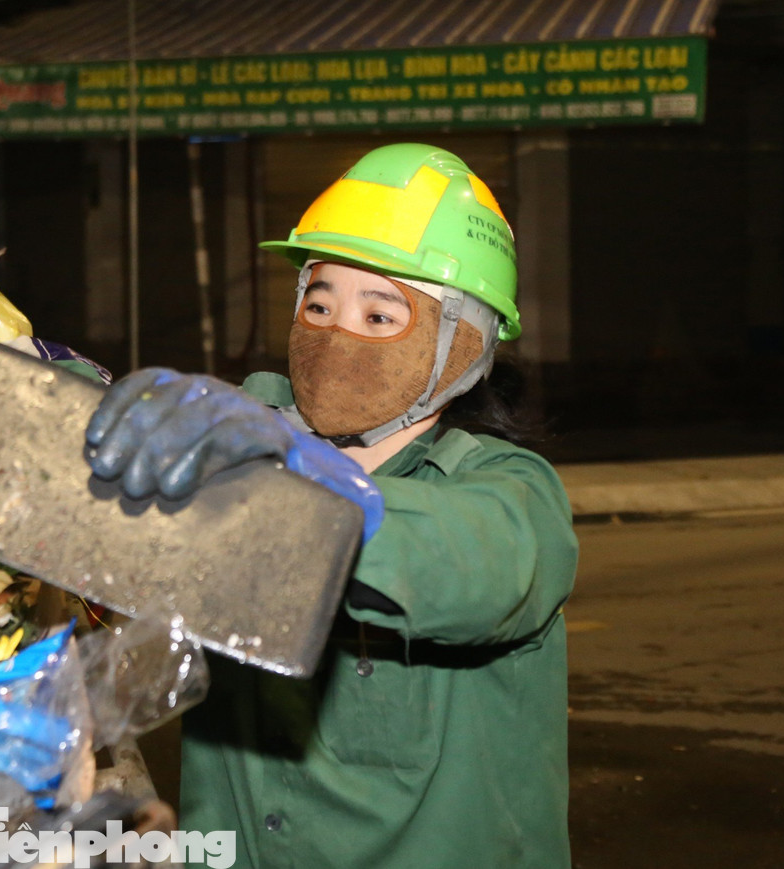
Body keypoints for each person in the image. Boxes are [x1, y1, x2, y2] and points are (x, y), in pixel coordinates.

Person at [83, 143, 577, 867]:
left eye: (381, 316)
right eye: (318, 302)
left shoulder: (511, 491)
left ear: (463, 347)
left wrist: (314, 491)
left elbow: (482, 561)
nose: (336, 333)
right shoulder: (239, 446)